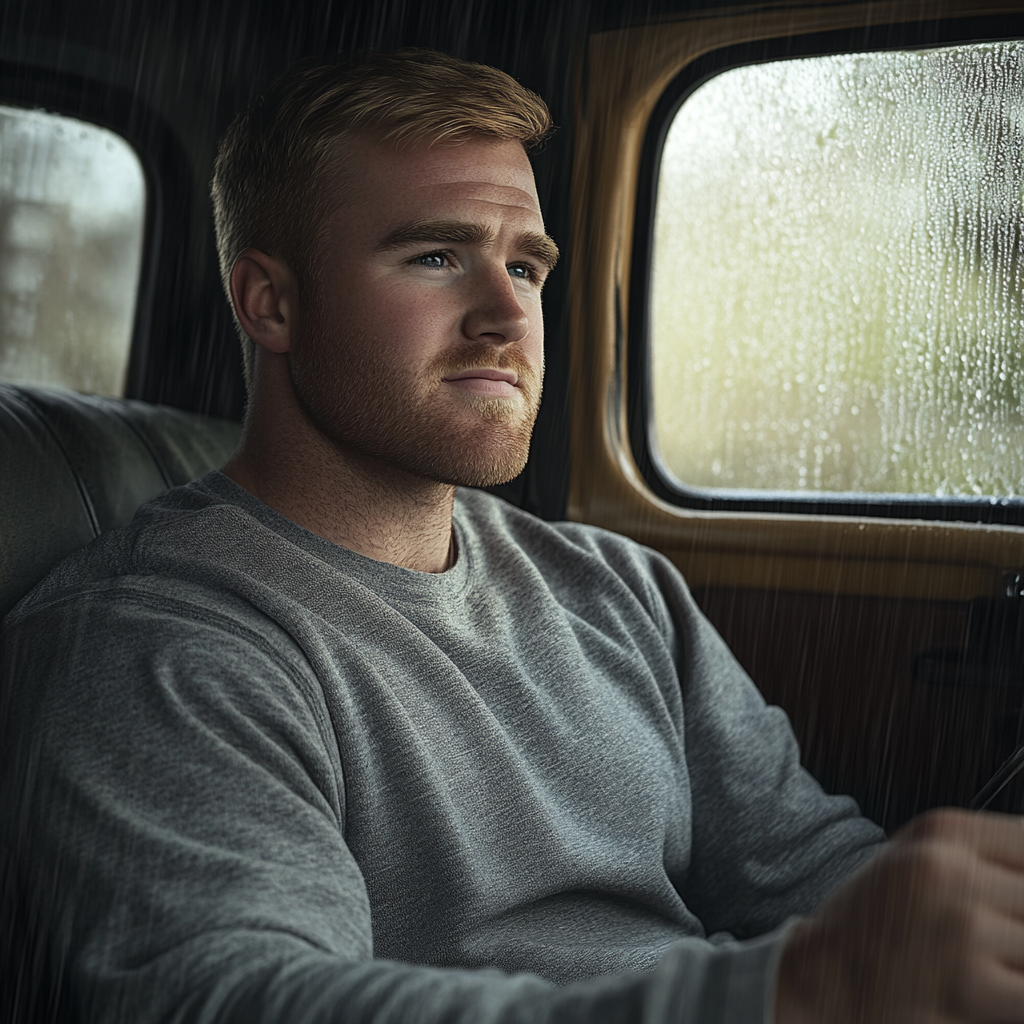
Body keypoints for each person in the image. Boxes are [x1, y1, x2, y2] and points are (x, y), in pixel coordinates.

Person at [1, 47, 1022, 1024]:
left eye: (526, 267)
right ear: (269, 301)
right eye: (435, 255)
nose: (505, 312)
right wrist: (782, 997)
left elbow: (814, 876)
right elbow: (242, 1000)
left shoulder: (617, 586)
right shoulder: (158, 643)